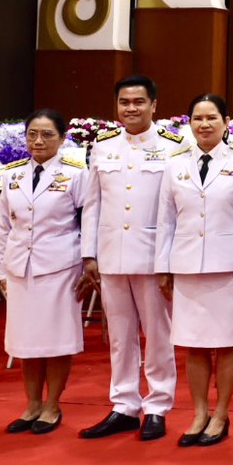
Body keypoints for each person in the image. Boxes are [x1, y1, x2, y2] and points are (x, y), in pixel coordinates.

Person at [79, 75, 180, 441]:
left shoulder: (173, 146)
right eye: (124, 102)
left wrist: (170, 259)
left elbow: (176, 208)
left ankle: (157, 406)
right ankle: (124, 404)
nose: (131, 108)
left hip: (153, 256)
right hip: (111, 254)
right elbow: (92, 204)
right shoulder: (103, 146)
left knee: (158, 334)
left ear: (154, 105)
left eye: (139, 101)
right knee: (120, 336)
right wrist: (89, 253)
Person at [153, 93, 233, 447]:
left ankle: (221, 414)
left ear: (226, 122)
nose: (205, 124)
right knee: (193, 345)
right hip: (185, 266)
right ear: (190, 124)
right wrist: (163, 267)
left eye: (212, 117)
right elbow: (165, 220)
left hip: (227, 268)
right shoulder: (174, 165)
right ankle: (199, 413)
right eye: (198, 118)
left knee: (226, 344)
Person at [0, 109, 89, 435]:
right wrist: (3, 270)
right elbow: (4, 227)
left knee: (56, 339)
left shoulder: (76, 175)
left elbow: (87, 223)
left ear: (62, 139)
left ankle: (52, 405)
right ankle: (32, 404)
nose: (38, 141)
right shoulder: (12, 176)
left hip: (61, 268)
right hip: (20, 268)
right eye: (32, 134)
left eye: (47, 134)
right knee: (26, 340)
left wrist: (87, 265)